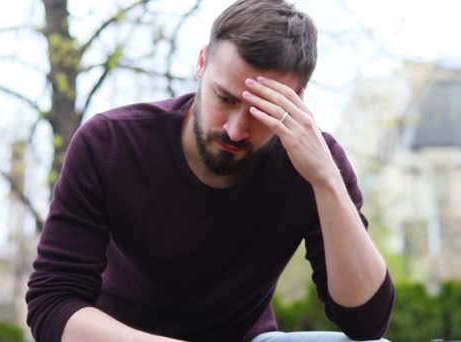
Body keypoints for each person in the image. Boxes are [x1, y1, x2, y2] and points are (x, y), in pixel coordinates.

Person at [25, 0, 395, 341]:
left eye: (259, 111)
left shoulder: (315, 161)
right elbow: (52, 306)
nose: (236, 129)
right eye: (226, 98)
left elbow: (366, 323)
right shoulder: (110, 144)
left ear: (298, 99)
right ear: (201, 63)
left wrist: (326, 181)